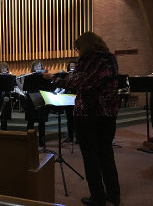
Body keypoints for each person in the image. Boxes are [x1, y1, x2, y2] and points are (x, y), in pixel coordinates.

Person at [44, 32, 120, 206]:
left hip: (88, 115)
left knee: (91, 156)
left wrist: (53, 79)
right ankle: (114, 195)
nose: (78, 51)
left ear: (85, 46)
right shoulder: (111, 59)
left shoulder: (88, 60)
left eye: (78, 48)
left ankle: (98, 197)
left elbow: (76, 83)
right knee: (106, 153)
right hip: (109, 114)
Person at [24, 60, 49, 147]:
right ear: (33, 68)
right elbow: (25, 88)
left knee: (41, 121)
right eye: (36, 66)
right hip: (31, 99)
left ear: (41, 68)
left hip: (41, 98)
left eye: (39, 66)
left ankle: (41, 141)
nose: (37, 68)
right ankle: (29, 140)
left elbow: (48, 87)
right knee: (30, 120)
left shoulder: (44, 77)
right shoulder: (29, 77)